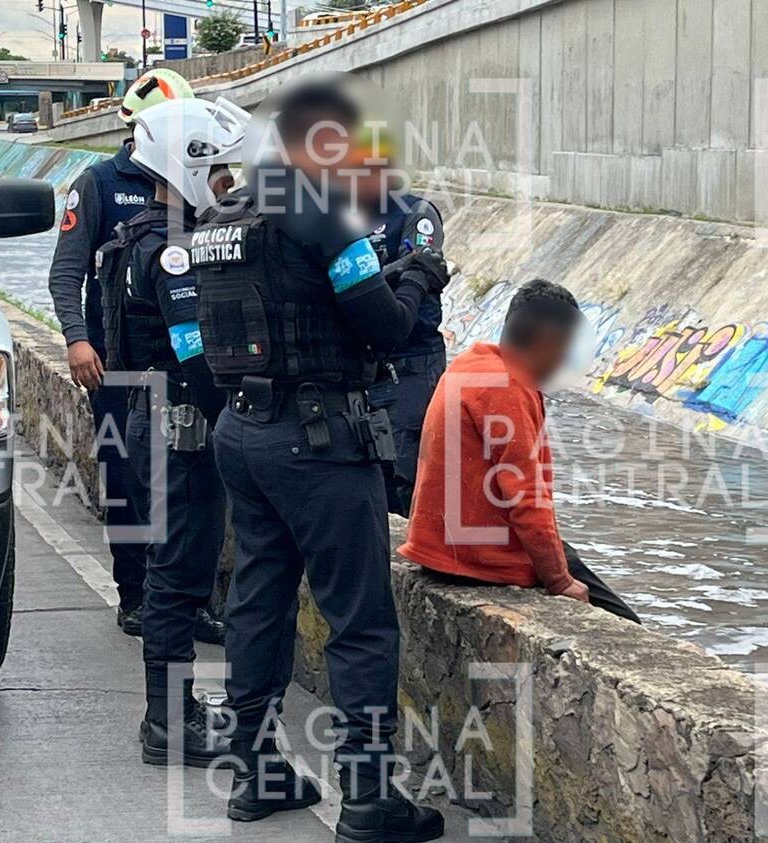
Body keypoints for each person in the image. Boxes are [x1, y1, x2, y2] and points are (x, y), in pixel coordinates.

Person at [191, 79, 450, 841]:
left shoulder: (216, 218)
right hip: (320, 442)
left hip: (241, 433)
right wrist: (422, 270)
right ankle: (369, 799)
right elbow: (386, 326)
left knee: (257, 604)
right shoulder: (322, 218)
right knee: (360, 621)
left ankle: (255, 772)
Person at [95, 96, 249, 766]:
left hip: (144, 412)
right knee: (178, 574)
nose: (226, 185)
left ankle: (174, 708)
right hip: (177, 423)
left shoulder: (135, 239)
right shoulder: (175, 256)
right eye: (217, 171)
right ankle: (168, 719)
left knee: (168, 567)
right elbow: (198, 359)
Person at [49, 68, 228, 641]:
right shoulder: (99, 183)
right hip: (116, 364)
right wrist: (78, 340)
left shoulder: (196, 187)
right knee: (126, 483)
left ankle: (187, 601)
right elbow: (66, 273)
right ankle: (135, 597)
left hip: (179, 367)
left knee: (191, 490)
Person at [399, 279, 642, 624]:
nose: (563, 363)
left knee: (567, 556)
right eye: (565, 349)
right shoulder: (508, 387)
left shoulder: (469, 365)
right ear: (548, 343)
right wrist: (560, 581)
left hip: (442, 548)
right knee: (624, 622)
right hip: (476, 560)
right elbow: (527, 499)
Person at [366, 193, 447, 517]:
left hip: (411, 365)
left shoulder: (415, 212)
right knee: (371, 477)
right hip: (364, 367)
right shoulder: (338, 216)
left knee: (410, 478)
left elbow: (421, 269)